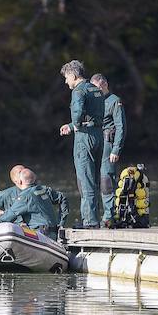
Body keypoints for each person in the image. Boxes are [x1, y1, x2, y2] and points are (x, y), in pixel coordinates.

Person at [58, 60, 105, 229]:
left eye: (66, 77)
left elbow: (78, 112)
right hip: (99, 135)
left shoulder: (78, 91)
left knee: (86, 180)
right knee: (95, 180)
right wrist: (71, 126)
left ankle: (90, 222)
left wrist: (75, 125)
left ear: (73, 75)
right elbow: (95, 114)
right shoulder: (95, 89)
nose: (66, 82)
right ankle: (94, 218)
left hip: (84, 138)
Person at [90, 73, 126, 227]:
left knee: (106, 180)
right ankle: (93, 217)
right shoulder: (93, 101)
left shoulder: (114, 101)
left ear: (104, 84)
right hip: (94, 143)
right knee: (92, 180)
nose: (95, 91)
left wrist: (116, 149)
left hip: (107, 144)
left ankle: (109, 216)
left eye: (97, 87)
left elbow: (121, 127)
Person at [0, 169, 68, 240]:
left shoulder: (25, 197)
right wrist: (61, 223)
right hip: (53, 233)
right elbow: (62, 198)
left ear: (20, 181)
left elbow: (7, 217)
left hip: (40, 235)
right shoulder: (43, 189)